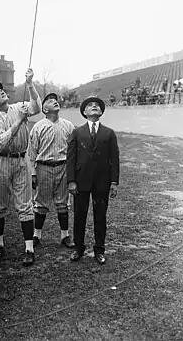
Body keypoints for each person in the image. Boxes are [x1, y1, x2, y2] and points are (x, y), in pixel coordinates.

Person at [0, 68, 41, 267]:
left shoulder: (18, 106)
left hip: (21, 160)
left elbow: (37, 107)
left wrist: (30, 83)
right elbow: (0, 142)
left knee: (25, 205)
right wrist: (18, 121)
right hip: (1, 161)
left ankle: (29, 249)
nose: (1, 92)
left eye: (2, 91)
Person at [67, 96, 120, 264]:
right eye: (90, 105)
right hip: (81, 181)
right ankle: (79, 248)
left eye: (98, 105)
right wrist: (71, 181)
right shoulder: (77, 132)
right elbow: (71, 159)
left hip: (102, 182)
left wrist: (114, 182)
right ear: (84, 112)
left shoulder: (109, 133)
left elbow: (115, 159)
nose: (94, 106)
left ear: (102, 112)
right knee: (79, 216)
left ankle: (99, 249)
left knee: (100, 216)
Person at [29, 93, 75, 249]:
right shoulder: (38, 126)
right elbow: (32, 153)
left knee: (63, 203)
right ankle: (36, 235)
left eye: (55, 100)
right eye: (50, 101)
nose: (54, 102)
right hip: (44, 166)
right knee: (41, 202)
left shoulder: (68, 125)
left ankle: (65, 236)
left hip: (63, 166)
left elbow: (73, 151)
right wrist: (33, 174)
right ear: (44, 109)